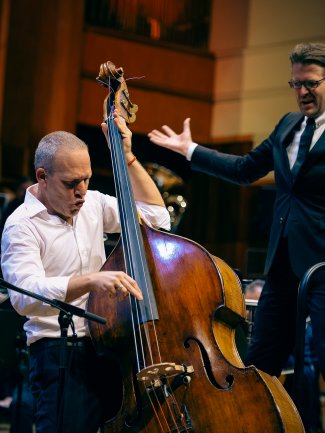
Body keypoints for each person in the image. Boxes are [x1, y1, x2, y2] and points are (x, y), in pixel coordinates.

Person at [148, 42, 325, 430]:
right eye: (295, 83)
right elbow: (246, 169)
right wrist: (190, 150)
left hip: (322, 268)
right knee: (260, 364)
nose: (301, 92)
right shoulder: (288, 126)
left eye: (310, 83)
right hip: (281, 267)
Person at [1, 110, 171, 433]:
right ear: (42, 177)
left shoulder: (92, 203)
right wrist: (93, 280)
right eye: (70, 183)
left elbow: (157, 221)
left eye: (87, 179)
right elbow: (25, 296)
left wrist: (129, 158)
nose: (81, 191)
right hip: (57, 352)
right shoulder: (20, 226)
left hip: (105, 346)